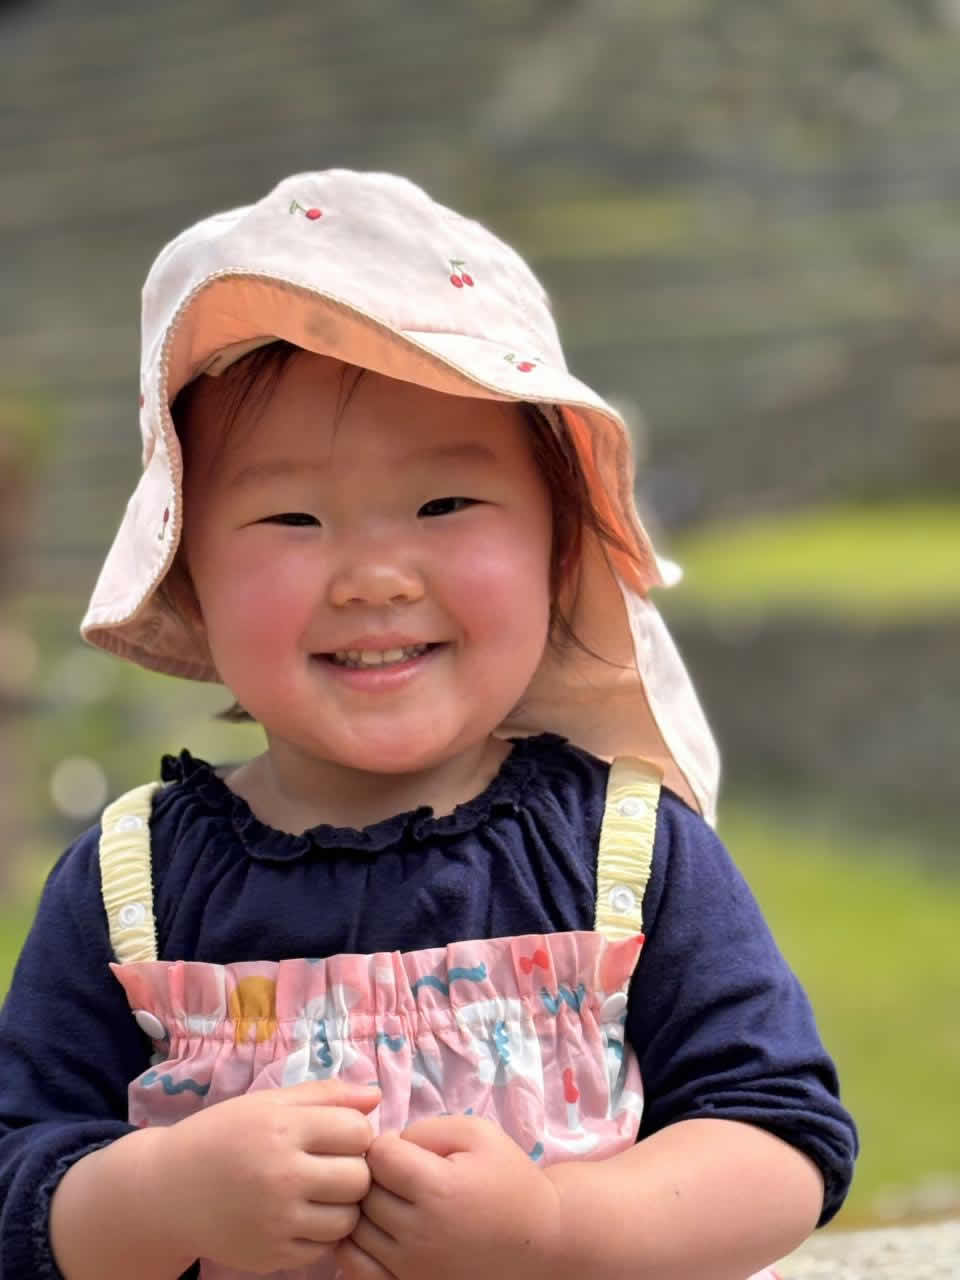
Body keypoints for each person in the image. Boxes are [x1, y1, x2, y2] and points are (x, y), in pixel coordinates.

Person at [0, 170, 857, 1280]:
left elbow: (780, 1134)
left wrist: (557, 1227)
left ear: (557, 549)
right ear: (190, 580)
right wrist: (160, 1196)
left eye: (446, 504)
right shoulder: (130, 886)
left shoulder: (627, 854)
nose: (373, 576)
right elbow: (19, 1172)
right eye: (290, 516)